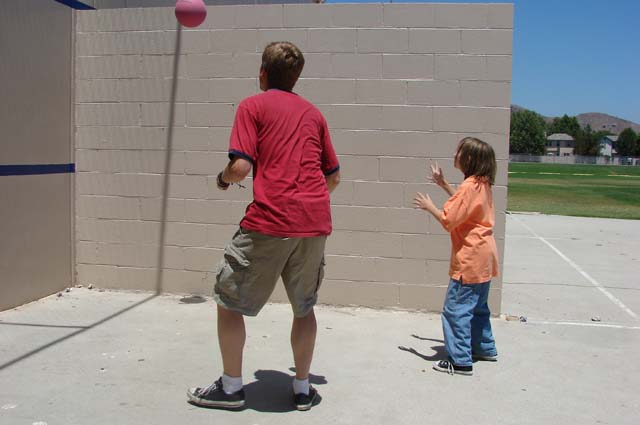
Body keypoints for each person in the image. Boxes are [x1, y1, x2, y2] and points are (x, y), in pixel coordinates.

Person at [186, 41, 340, 411]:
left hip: (270, 220)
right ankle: (302, 389)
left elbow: (240, 168)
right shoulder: (314, 114)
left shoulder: (252, 106)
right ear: (296, 77)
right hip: (315, 222)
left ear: (262, 73)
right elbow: (333, 177)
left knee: (227, 300)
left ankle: (231, 388)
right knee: (304, 307)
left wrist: (222, 179)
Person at [413, 137, 499, 376]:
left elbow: (449, 220)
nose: (454, 155)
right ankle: (484, 348)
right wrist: (443, 184)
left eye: (458, 151)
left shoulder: (469, 186)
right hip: (485, 256)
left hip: (470, 258)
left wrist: (429, 206)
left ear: (469, 158)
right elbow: (464, 206)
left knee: (455, 310)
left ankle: (460, 361)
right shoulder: (481, 184)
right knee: (478, 308)